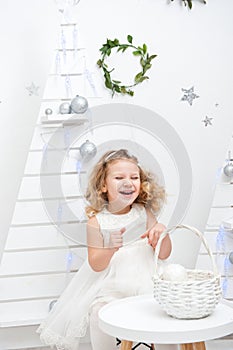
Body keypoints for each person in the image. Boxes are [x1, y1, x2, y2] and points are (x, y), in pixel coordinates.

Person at [37, 149, 172, 350]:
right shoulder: (96, 222)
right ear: (103, 186)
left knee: (165, 312)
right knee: (99, 313)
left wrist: (162, 233)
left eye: (134, 177)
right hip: (113, 288)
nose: (128, 182)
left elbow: (164, 253)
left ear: (141, 184)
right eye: (119, 177)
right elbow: (96, 264)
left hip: (148, 285)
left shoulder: (144, 213)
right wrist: (109, 248)